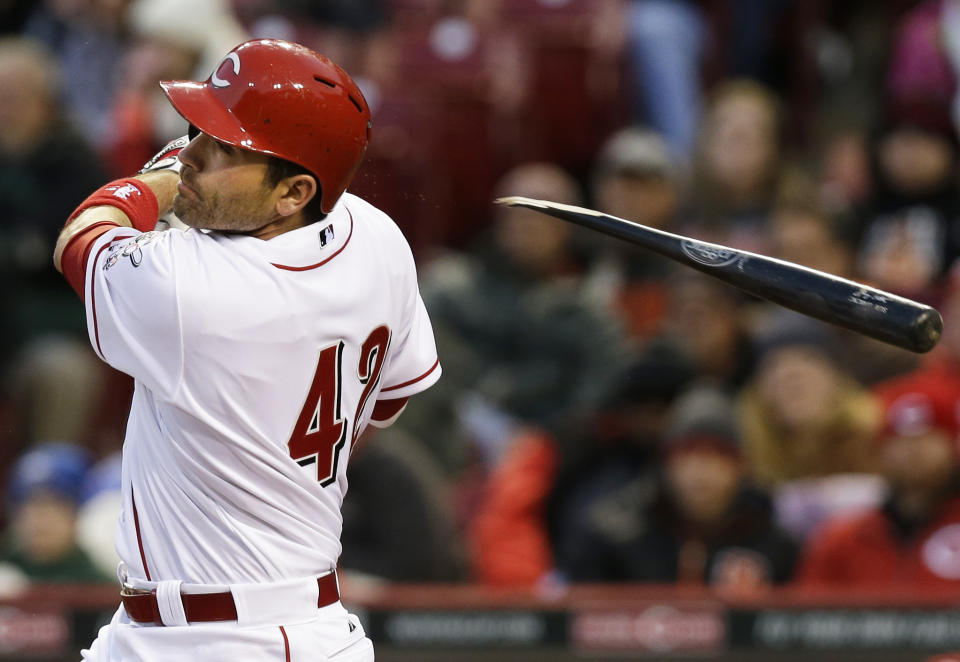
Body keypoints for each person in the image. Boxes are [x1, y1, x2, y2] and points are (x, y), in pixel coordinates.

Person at [53, 39, 440, 662]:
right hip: (234, 621)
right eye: (194, 131)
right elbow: (387, 400)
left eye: (222, 148)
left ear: (293, 193)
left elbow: (82, 237)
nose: (192, 158)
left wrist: (155, 179)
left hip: (238, 641)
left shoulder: (190, 286)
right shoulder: (377, 236)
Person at [797, 379, 960, 588]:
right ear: (879, 452)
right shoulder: (843, 539)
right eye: (899, 439)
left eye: (930, 437)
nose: (914, 450)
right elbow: (808, 612)